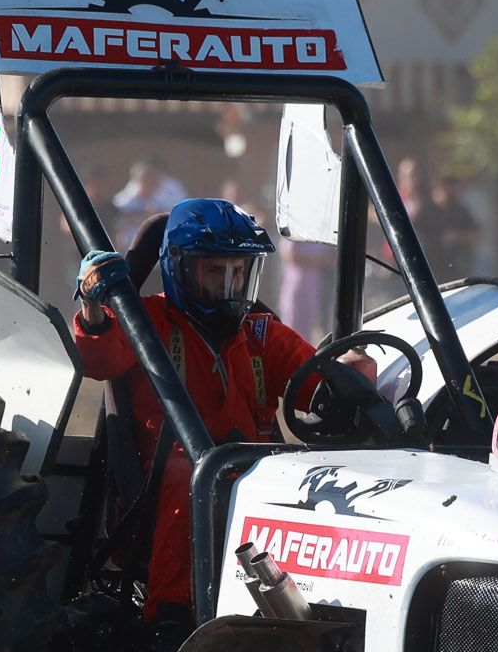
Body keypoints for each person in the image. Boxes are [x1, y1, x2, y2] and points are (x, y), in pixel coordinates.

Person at [70, 197, 362, 620]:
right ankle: (170, 625)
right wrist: (93, 306)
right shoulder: (148, 318)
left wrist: (353, 384)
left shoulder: (260, 332)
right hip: (165, 487)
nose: (228, 287)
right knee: (192, 481)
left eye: (238, 272)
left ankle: (324, 616)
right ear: (181, 269)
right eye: (214, 271)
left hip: (254, 471)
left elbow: (315, 381)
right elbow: (100, 359)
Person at [108, 161, 187, 235]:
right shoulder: (124, 200)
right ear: (143, 180)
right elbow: (118, 221)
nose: (155, 184)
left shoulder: (157, 200)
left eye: (155, 181)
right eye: (151, 181)